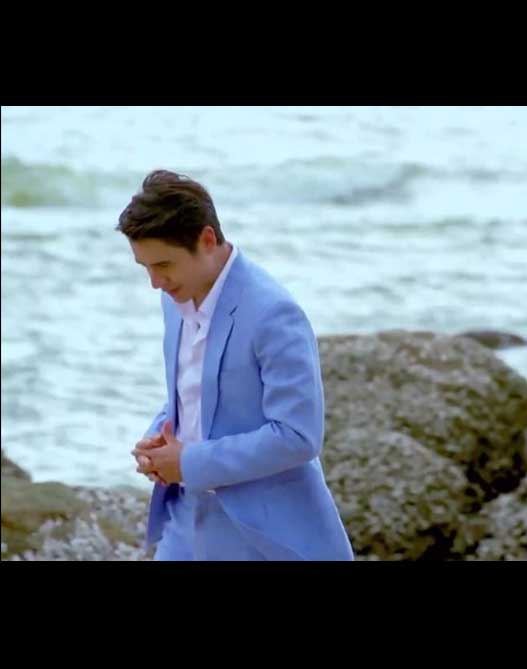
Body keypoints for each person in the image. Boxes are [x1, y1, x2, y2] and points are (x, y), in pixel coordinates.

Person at [117, 170, 354, 561]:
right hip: (183, 520)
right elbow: (192, 393)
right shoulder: (175, 298)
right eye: (145, 267)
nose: (155, 282)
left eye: (163, 265)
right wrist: (158, 439)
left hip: (261, 533)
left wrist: (188, 462)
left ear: (207, 240)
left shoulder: (274, 313)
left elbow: (298, 434)